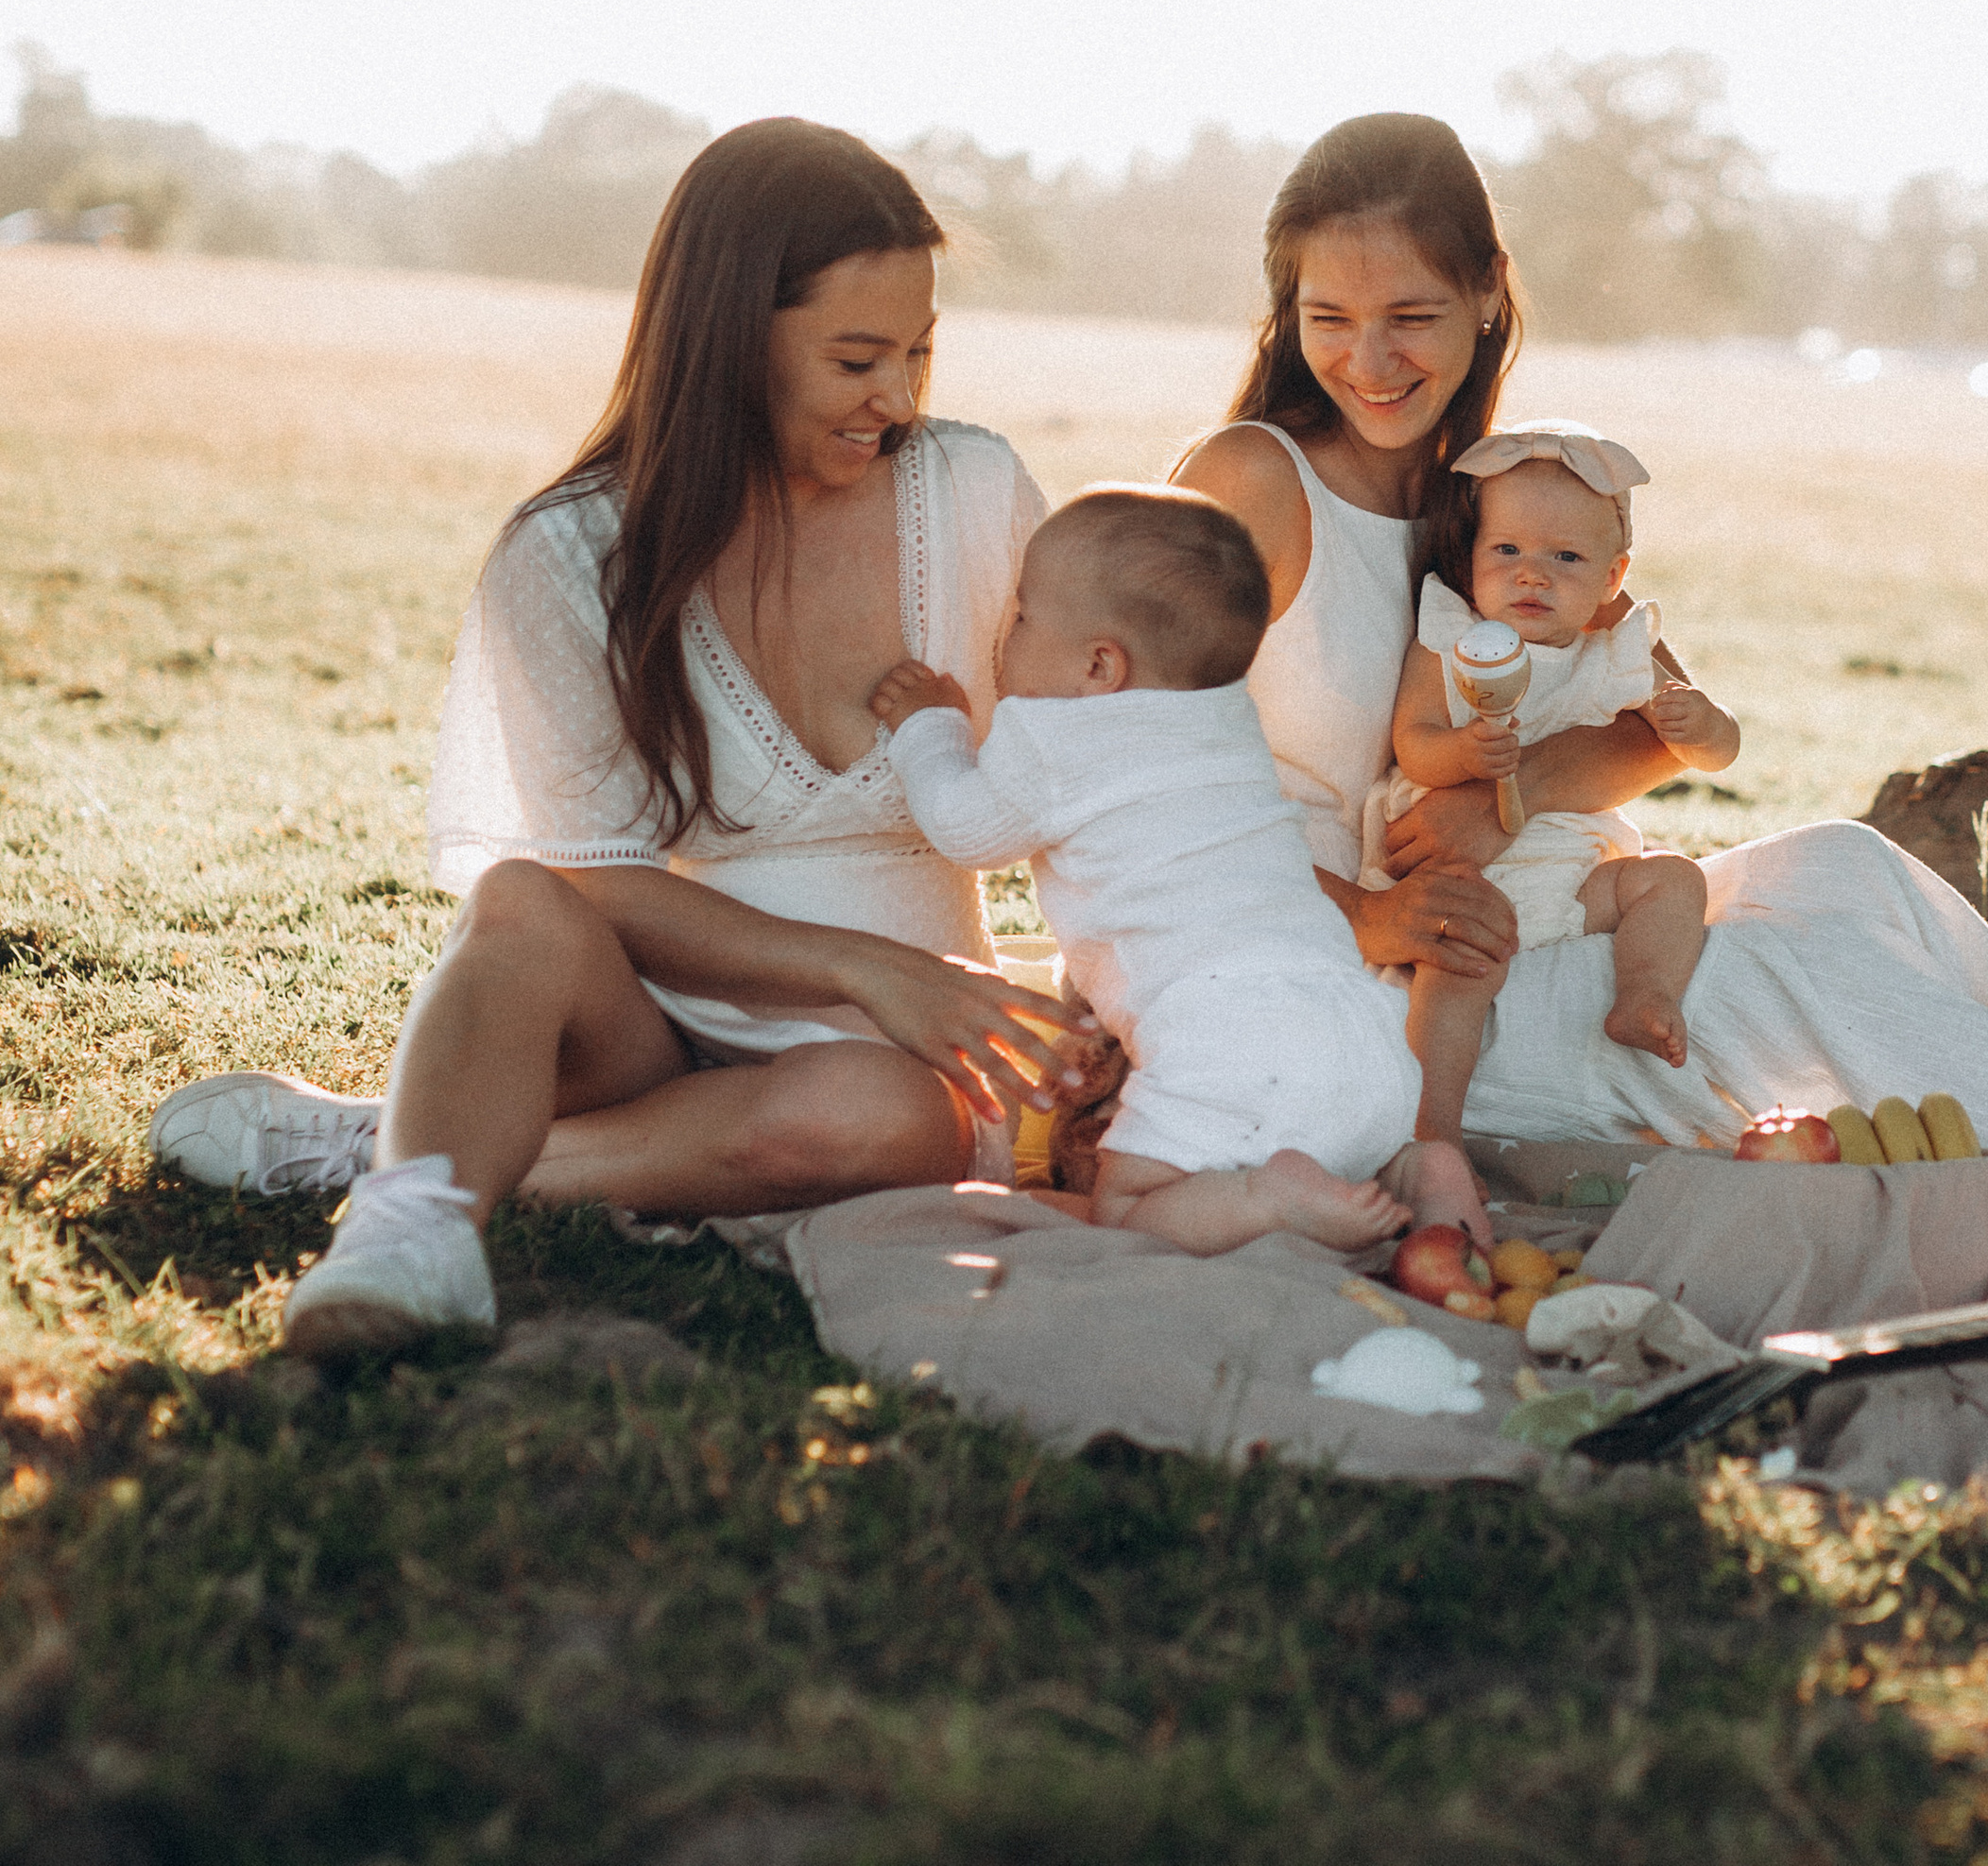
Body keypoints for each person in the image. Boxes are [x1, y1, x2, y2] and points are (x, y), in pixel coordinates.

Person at [1178, 111, 1988, 1219]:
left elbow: (1627, 738)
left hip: (1492, 908)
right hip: (1363, 989)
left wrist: (1503, 793)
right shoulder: (1253, 482)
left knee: (1849, 867)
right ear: (1286, 316)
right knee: (1782, 969)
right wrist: (1378, 910)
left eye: (1412, 317)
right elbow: (1136, 791)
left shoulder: (1485, 494)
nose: (1370, 359)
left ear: (1489, 297)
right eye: (1328, 319)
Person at [148, 120, 1095, 1355]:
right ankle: (412, 1230)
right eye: (857, 358)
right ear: (725, 338)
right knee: (523, 901)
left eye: (920, 351)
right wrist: (871, 968)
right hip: (645, 1024)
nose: (900, 399)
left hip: (892, 1067)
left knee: (881, 1118)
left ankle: (408, 1145)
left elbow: (1082, 767)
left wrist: (1106, 997)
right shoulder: (571, 552)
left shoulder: (972, 493)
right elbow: (594, 878)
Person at [870, 484, 1471, 1253]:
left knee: (1126, 1210)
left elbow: (966, 828)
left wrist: (929, 725)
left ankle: (1269, 1194)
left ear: (1099, 666)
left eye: (1021, 616)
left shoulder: (1053, 734)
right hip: (1364, 1039)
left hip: (1224, 1044)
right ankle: (1424, 1170)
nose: (1004, 633)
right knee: (1361, 1149)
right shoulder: (1226, 719)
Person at [1366, 423, 1735, 1149]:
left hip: (1573, 878)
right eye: (1507, 551)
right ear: (1472, 558)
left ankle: (1645, 993)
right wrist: (1463, 752)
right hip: (1468, 876)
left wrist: (1702, 723)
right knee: (1455, 973)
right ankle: (1431, 1133)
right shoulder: (1452, 642)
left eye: (1565, 557)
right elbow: (1414, 747)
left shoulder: (1615, 653)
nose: (1532, 574)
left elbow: (1716, 757)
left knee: (1670, 879)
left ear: (1611, 578)